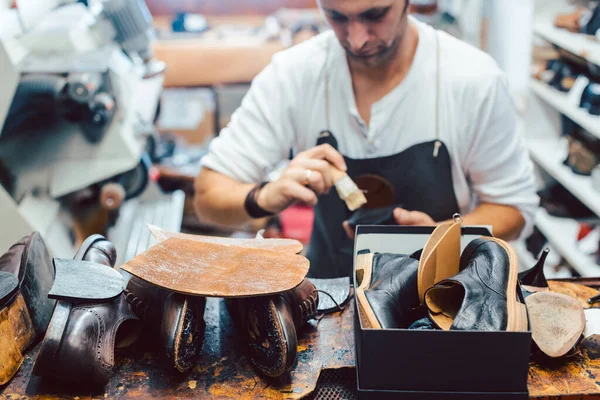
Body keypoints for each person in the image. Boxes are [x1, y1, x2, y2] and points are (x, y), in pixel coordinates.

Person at [194, 0, 539, 278]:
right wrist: (265, 196)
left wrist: (445, 236)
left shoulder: (472, 80)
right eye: (336, 16)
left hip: (444, 295)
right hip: (331, 292)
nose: (356, 39)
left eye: (375, 14)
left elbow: (515, 207)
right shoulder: (293, 76)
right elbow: (208, 197)